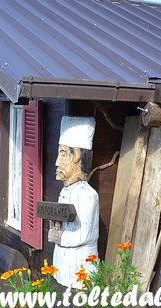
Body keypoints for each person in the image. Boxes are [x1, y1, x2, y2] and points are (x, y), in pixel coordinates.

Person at [49, 116, 98, 289]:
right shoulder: (64, 191)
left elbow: (85, 234)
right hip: (62, 265)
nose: (56, 162)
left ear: (76, 155)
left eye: (62, 154)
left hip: (80, 266)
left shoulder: (88, 194)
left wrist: (60, 237)